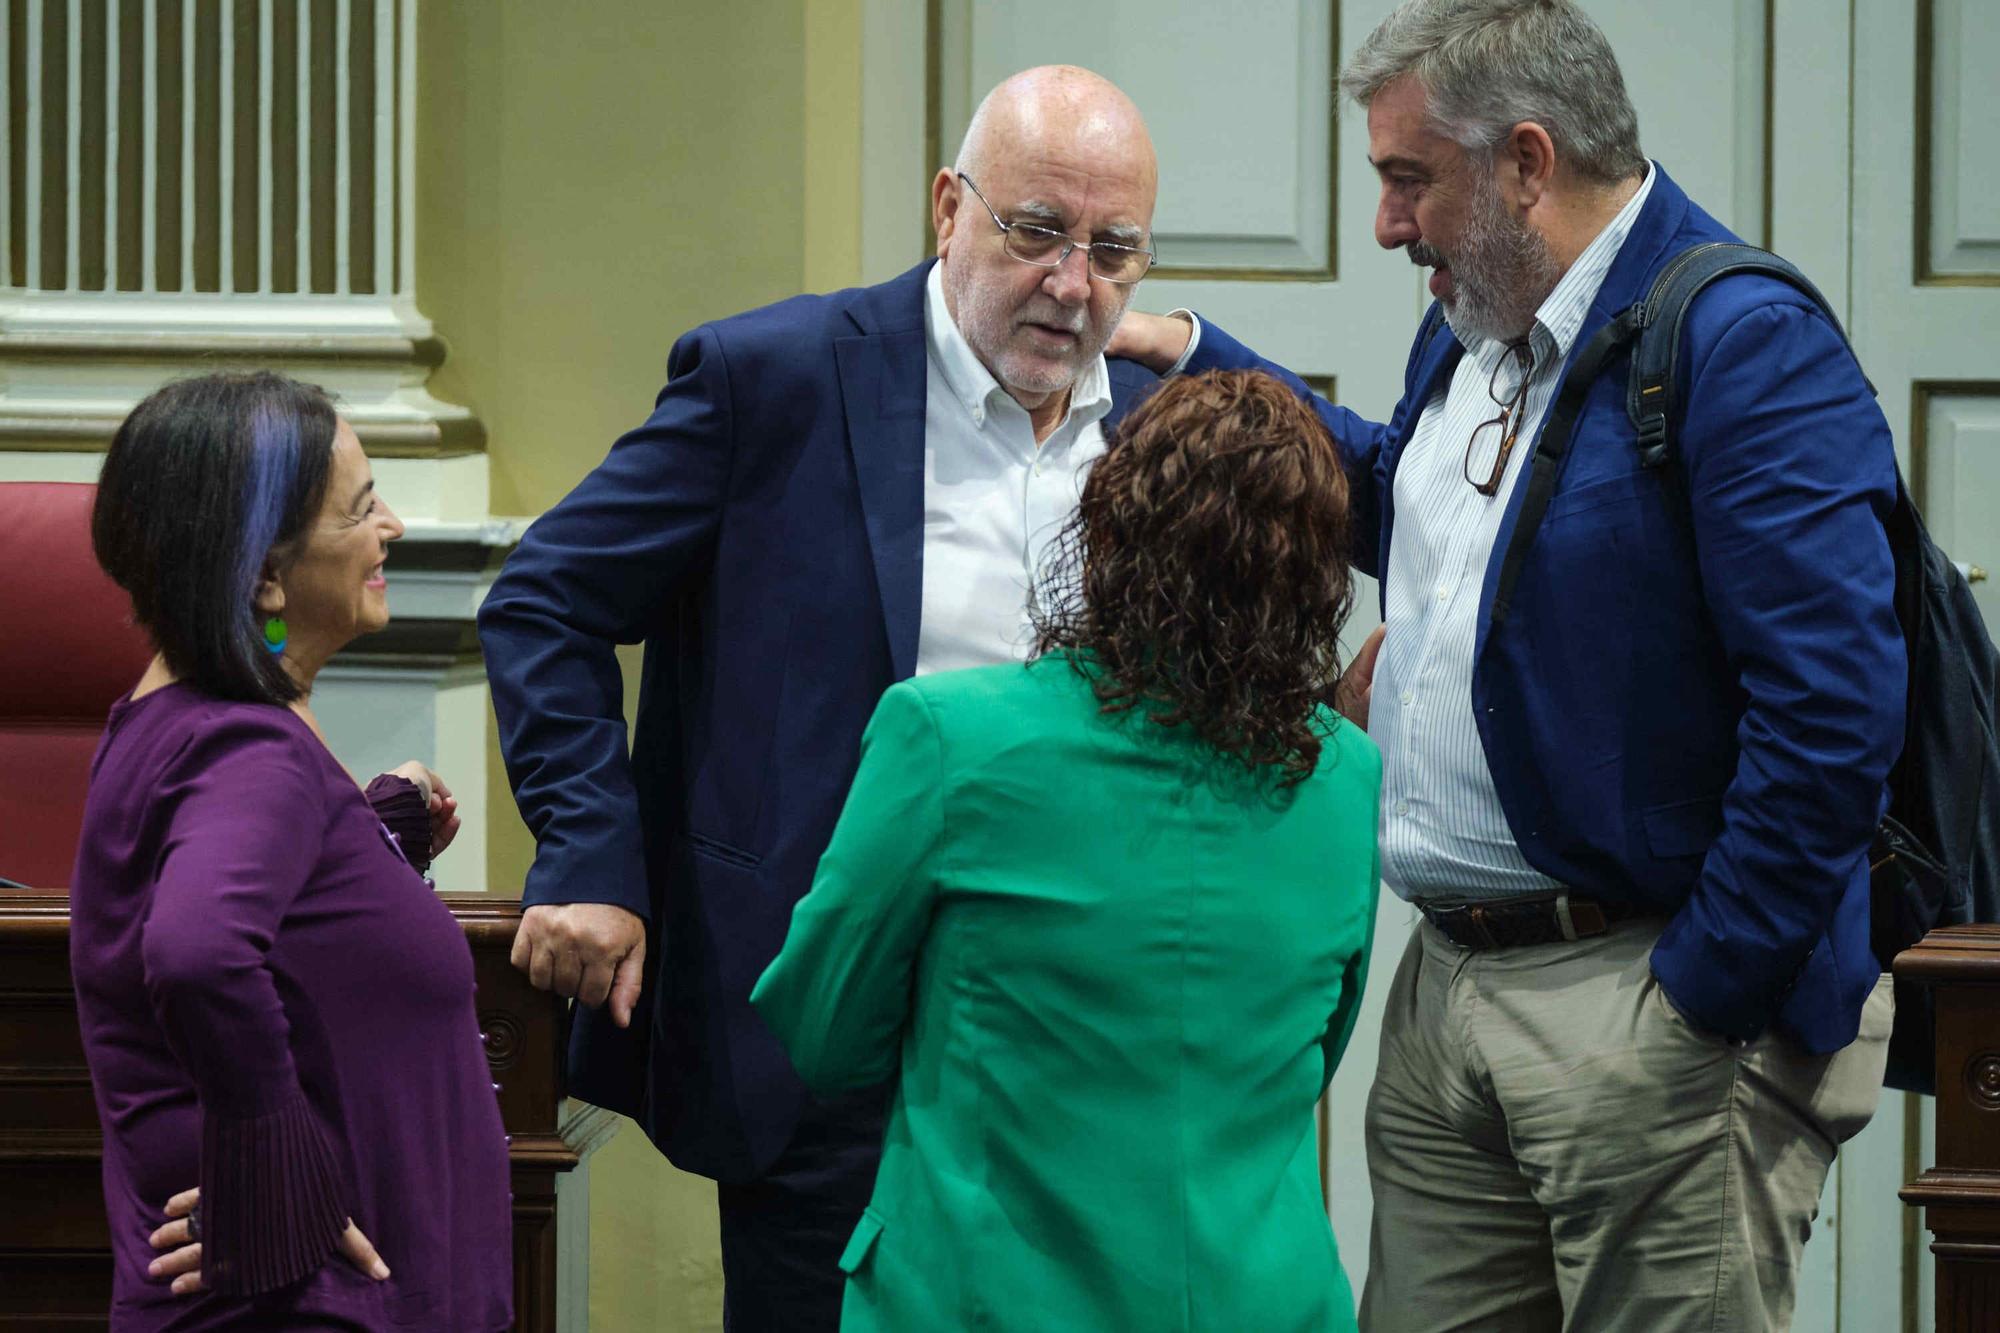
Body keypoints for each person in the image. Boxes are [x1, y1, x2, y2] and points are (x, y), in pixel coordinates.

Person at [1110, 2, 1903, 1328]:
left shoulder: (1743, 342)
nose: (1385, 225)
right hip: (1450, 992)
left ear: (1529, 163)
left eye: (1409, 180)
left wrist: (1702, 989)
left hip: (1647, 1003)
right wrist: (1199, 358)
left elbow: (1833, 710)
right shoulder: (1474, 321)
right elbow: (1397, 494)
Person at [477, 65, 1175, 1329]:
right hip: (824, 1015)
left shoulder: (1165, 427)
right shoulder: (777, 379)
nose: (1072, 285)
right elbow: (546, 598)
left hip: (1076, 1033)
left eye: (1111, 249)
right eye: (1034, 233)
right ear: (946, 207)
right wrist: (590, 854)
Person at [748, 368, 1381, 1332]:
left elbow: (825, 1031)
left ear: (1108, 530)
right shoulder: (1345, 776)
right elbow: (1316, 1050)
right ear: (1314, 578)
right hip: (1266, 1300)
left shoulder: (946, 736)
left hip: (984, 1298)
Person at [70, 371, 511, 1331]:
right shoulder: (249, 749)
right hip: (304, 1304)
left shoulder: (177, 724)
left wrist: (363, 834)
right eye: (360, 510)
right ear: (267, 574)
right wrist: (277, 1167)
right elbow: (197, 951)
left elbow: (291, 948)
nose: (391, 526)